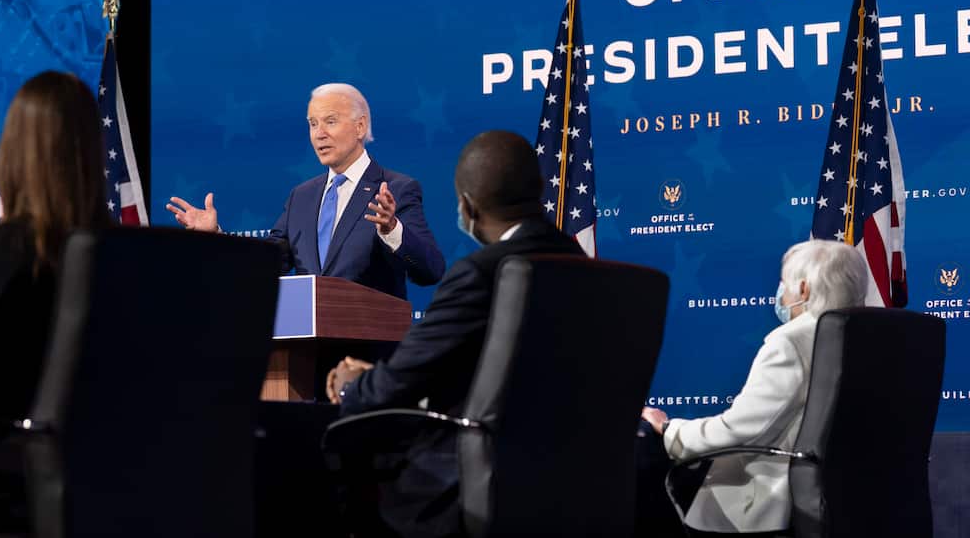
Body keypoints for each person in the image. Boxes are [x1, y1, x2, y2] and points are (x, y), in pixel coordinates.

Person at [325, 130, 586, 538]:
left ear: (468, 205)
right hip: (577, 478)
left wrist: (353, 387)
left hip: (466, 487)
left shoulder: (481, 274)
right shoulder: (585, 267)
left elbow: (397, 385)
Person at [640, 240, 869, 534]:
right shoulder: (870, 339)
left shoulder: (791, 341)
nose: (781, 296)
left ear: (803, 290)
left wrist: (669, 429)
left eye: (783, 286)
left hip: (773, 503)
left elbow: (740, 430)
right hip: (853, 499)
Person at [167, 83, 444, 299]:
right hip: (306, 361)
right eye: (313, 124)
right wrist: (216, 238)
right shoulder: (302, 196)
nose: (319, 133)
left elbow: (431, 270)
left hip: (368, 358)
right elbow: (266, 265)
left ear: (360, 126)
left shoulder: (396, 189)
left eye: (330, 121)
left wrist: (392, 230)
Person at [0, 71, 112, 423]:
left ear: (13, 152)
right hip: (123, 470)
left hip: (16, 468)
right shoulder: (133, 255)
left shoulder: (0, 247)